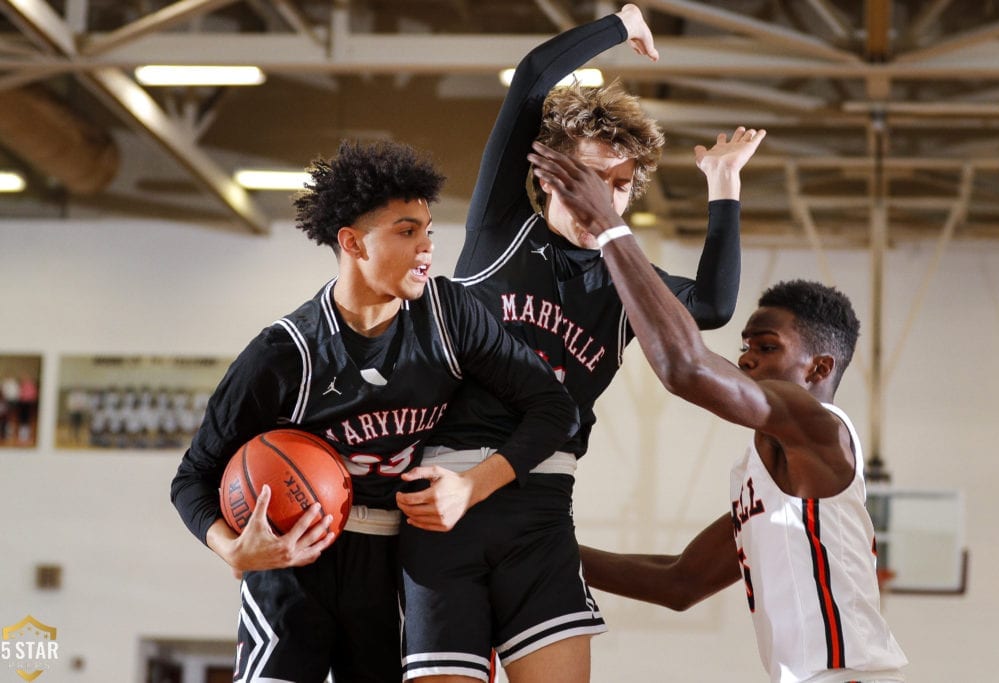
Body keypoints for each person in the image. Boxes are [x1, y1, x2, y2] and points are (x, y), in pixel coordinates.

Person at [396, 5, 763, 682]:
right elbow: (534, 75)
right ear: (546, 176)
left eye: (621, 187)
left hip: (542, 507)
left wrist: (724, 187)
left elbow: (710, 304)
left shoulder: (626, 278)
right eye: (588, 182)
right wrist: (621, 24)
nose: (607, 201)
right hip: (448, 492)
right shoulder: (499, 228)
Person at [170, 139, 578, 683]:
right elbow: (192, 477)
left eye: (429, 230)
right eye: (407, 231)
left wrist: (473, 485)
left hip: (397, 561)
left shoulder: (449, 314)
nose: (427, 247)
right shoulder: (285, 353)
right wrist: (234, 549)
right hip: (296, 562)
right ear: (353, 242)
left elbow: (555, 408)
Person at [526, 140, 909, 683]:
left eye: (768, 347)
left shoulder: (817, 426)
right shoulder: (768, 475)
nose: (747, 357)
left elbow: (686, 367)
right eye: (746, 345)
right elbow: (679, 582)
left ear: (818, 369)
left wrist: (610, 225)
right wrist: (534, 543)